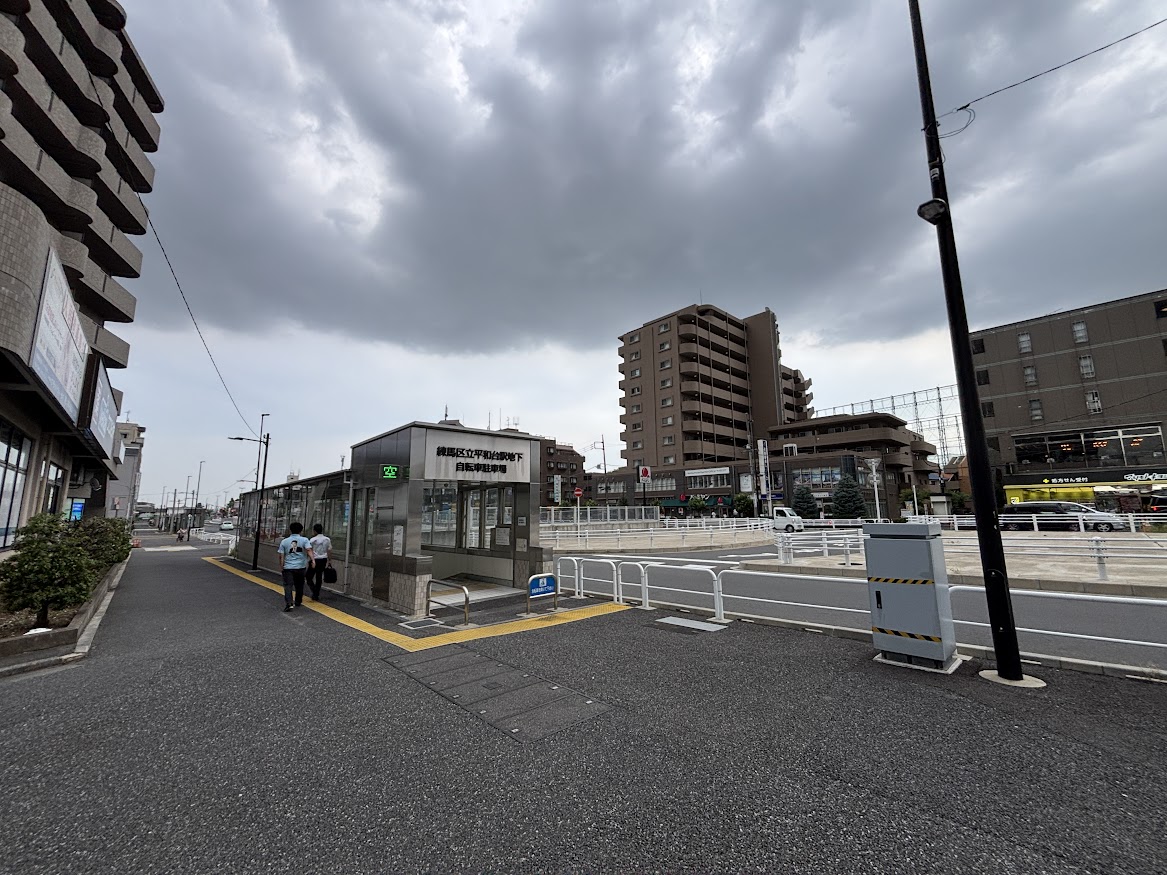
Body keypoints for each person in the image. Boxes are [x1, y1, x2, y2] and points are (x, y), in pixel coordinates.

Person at [277, 522, 315, 612]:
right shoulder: (304, 540)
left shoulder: (284, 541)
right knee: (299, 585)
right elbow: (309, 550)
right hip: (300, 567)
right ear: (301, 530)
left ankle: (289, 603)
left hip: (288, 567)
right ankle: (298, 601)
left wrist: (282, 565)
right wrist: (313, 560)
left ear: (290, 530)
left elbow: (281, 555)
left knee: (288, 585)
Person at [305, 523, 332, 601]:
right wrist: (330, 560)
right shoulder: (327, 539)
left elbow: (309, 550)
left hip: (314, 560)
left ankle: (315, 592)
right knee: (319, 576)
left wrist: (308, 559)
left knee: (308, 576)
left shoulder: (312, 540)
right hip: (323, 559)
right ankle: (316, 593)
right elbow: (329, 550)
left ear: (315, 531)